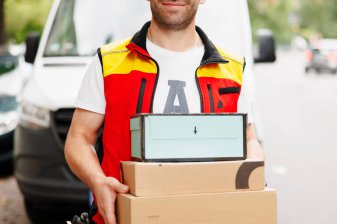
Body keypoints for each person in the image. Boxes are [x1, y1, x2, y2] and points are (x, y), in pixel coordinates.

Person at [65, 0, 264, 223]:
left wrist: (251, 185)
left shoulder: (233, 68)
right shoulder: (108, 62)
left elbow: (248, 140)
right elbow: (78, 138)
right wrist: (97, 181)